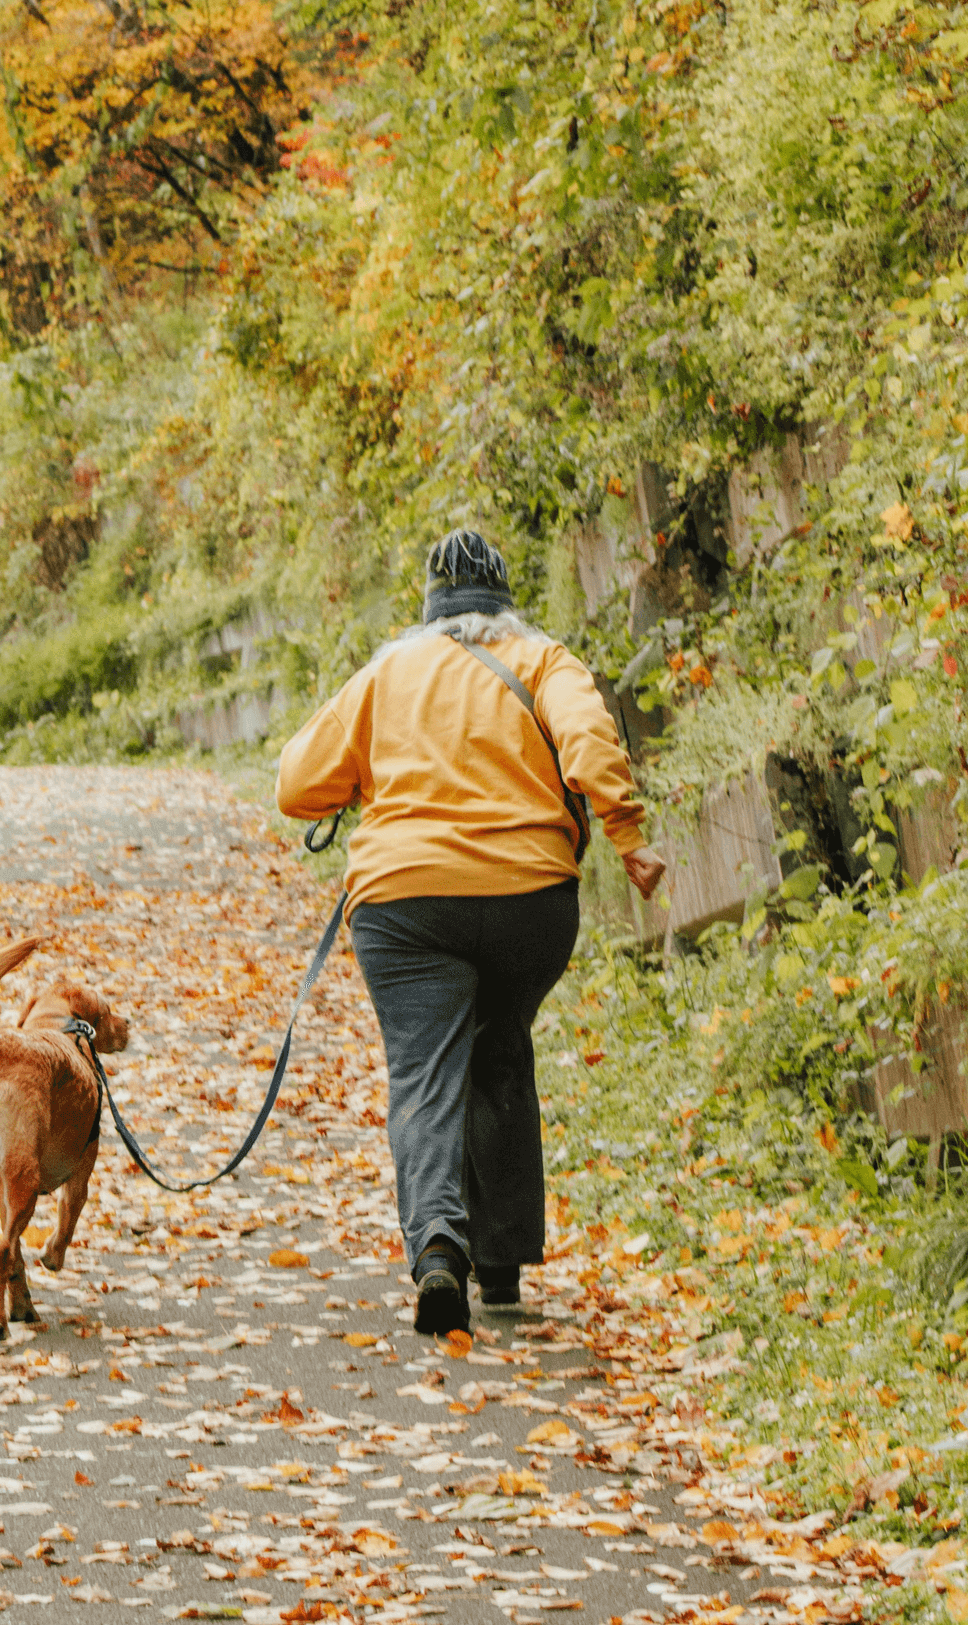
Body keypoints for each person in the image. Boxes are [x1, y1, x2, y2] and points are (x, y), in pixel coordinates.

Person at [276, 525, 665, 1338]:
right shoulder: (542, 658)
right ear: (503, 601)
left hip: (406, 906)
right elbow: (590, 743)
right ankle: (502, 1267)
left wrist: (362, 783)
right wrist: (629, 839)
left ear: (430, 605)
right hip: (529, 900)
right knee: (501, 1052)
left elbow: (297, 783)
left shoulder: (390, 669)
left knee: (423, 1072)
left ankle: (439, 1254)